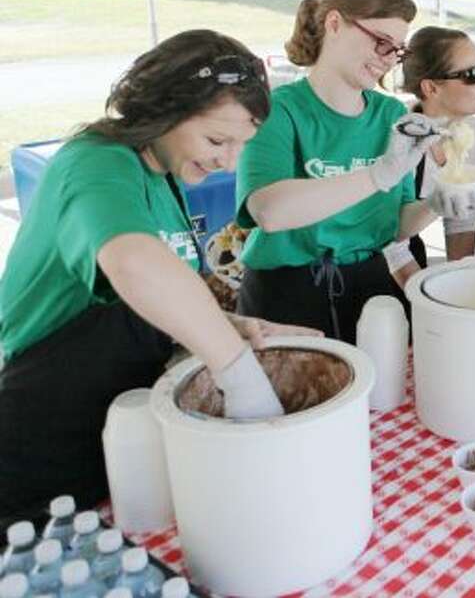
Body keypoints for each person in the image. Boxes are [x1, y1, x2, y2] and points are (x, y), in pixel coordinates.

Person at [0, 30, 312, 518]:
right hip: (40, 427)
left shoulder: (166, 175)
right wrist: (238, 371)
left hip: (115, 427)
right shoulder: (94, 162)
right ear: (165, 108)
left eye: (240, 146)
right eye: (216, 140)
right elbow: (134, 264)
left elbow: (147, 306)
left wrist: (229, 327)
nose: (227, 161)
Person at [236, 0, 467, 344]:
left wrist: (437, 202)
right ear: (334, 24)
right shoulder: (279, 110)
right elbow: (270, 212)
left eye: (397, 50)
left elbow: (396, 225)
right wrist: (377, 175)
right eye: (381, 42)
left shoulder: (390, 115)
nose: (387, 60)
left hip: (370, 284)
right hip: (286, 292)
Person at [395, 25, 475, 270]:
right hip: (380, 258)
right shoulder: (399, 141)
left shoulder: (474, 135)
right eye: (472, 74)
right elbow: (388, 240)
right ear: (431, 88)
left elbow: (460, 224)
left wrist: (459, 284)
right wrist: (422, 291)